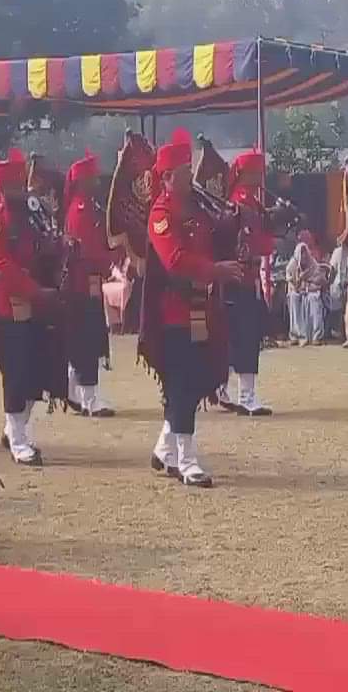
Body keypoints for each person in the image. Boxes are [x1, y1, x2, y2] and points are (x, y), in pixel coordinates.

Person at [138, 128, 243, 488]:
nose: (189, 177)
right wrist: (216, 269)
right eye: (182, 172)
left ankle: (164, 449)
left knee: (200, 380)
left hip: (203, 309)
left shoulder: (198, 208)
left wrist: (233, 223)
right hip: (174, 313)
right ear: (165, 178)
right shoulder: (161, 214)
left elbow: (215, 239)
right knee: (182, 385)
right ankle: (187, 460)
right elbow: (176, 260)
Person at [0, 149, 64, 465]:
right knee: (17, 374)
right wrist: (37, 292)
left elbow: (44, 247)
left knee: (38, 371)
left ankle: (14, 428)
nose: (21, 190)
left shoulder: (33, 214)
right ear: (1, 188)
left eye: (21, 183)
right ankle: (18, 439)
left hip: (40, 305)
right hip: (11, 308)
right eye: (14, 185)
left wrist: (59, 248)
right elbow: (5, 267)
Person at [218, 150, 275, 416]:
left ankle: (222, 389)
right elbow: (256, 245)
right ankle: (246, 396)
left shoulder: (251, 201)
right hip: (240, 278)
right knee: (245, 338)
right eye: (256, 171)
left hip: (246, 279)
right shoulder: (241, 204)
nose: (259, 176)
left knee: (238, 337)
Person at [63, 150, 116, 417]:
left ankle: (77, 391)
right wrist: (110, 261)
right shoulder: (80, 209)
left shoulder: (89, 206)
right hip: (83, 284)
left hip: (90, 283)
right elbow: (89, 250)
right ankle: (90, 398)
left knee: (89, 339)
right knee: (87, 340)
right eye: (92, 177)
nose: (97, 181)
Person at [286, 242, 326, 345]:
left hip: (311, 291)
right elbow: (291, 283)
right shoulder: (292, 265)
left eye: (305, 253)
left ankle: (316, 336)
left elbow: (319, 282)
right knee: (294, 297)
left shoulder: (313, 264)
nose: (303, 256)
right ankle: (297, 335)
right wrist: (299, 282)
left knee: (314, 299)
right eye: (301, 253)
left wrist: (308, 286)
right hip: (297, 291)